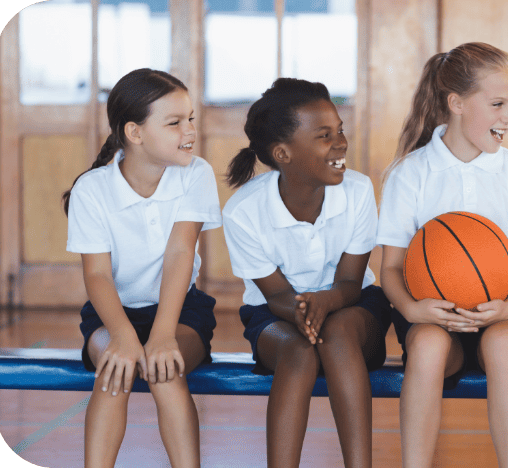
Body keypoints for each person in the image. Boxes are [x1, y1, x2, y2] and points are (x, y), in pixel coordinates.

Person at [376, 42, 508, 468]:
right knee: (430, 347)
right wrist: (414, 311)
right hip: (433, 312)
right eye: (497, 104)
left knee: (503, 344)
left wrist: (507, 306)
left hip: (505, 309)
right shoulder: (410, 173)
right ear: (455, 103)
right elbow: (391, 269)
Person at [222, 78, 393, 468]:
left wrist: (324, 302)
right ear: (283, 153)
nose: (340, 143)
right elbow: (276, 295)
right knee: (299, 350)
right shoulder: (243, 212)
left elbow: (351, 283)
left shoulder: (359, 191)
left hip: (353, 307)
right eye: (323, 136)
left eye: (340, 131)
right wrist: (302, 310)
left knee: (335, 333)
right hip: (277, 313)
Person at [63, 68, 221, 468]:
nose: (189, 131)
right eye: (174, 123)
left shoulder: (195, 173)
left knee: (164, 372)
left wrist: (164, 334)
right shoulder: (92, 189)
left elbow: (180, 254)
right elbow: (97, 275)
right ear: (134, 133)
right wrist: (121, 335)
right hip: (112, 312)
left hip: (181, 310)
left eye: (190, 119)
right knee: (116, 370)